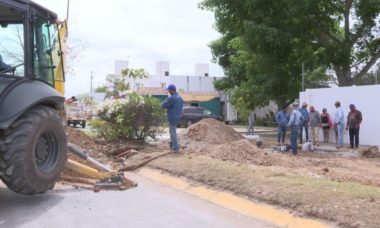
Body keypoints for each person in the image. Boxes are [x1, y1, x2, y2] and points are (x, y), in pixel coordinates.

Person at [161, 84, 183, 153]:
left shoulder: (172, 98)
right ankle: (174, 146)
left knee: (172, 133)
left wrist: (166, 99)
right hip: (177, 117)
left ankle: (175, 148)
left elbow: (164, 105)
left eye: (169, 90)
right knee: (173, 132)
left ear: (173, 90)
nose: (169, 92)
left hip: (172, 117)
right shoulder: (180, 98)